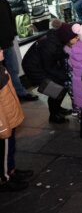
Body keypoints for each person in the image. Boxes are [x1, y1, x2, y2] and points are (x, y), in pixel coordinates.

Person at [22, 20, 78, 123]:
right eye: (75, 38)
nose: (77, 40)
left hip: (41, 64)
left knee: (61, 86)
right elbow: (49, 67)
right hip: (34, 68)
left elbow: (58, 56)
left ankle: (58, 109)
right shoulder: (50, 45)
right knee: (55, 89)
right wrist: (64, 76)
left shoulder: (57, 39)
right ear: (67, 38)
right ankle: (54, 116)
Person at [0, 49, 34, 192]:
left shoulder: (1, 67)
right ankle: (5, 178)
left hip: (9, 114)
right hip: (3, 121)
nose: (2, 50)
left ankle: (11, 170)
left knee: (10, 147)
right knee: (4, 150)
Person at [0, 0, 38, 102]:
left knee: (14, 70)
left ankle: (20, 93)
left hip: (8, 43)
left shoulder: (3, 1)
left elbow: (11, 18)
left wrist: (12, 33)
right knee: (2, 74)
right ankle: (8, 99)